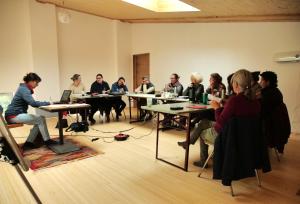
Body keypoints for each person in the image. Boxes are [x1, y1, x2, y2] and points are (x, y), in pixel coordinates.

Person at [178, 69, 260, 168]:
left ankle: (203, 161)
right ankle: (188, 142)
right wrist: (226, 105)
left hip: (229, 136)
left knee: (201, 132)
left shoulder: (234, 100)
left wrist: (217, 108)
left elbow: (219, 125)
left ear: (236, 84)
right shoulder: (256, 102)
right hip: (247, 137)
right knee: (203, 122)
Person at [5, 73, 58, 150]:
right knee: (40, 119)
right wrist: (48, 103)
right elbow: (33, 103)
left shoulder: (23, 88)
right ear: (31, 81)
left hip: (14, 115)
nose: (37, 85)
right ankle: (47, 141)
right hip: (13, 116)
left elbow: (32, 102)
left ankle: (28, 143)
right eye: (37, 82)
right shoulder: (24, 89)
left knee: (39, 120)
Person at [259, 71, 290, 153]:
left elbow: (262, 112)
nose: (260, 82)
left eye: (262, 80)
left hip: (271, 127)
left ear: (268, 82)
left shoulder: (267, 94)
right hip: (276, 126)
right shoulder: (276, 91)